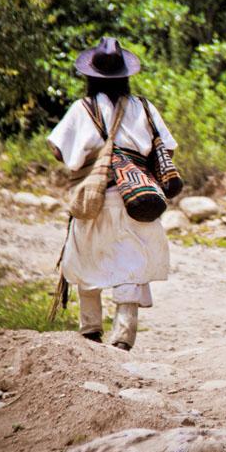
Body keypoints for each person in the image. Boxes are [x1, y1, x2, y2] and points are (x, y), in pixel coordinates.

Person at [47, 37, 177, 351]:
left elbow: (58, 148)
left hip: (95, 195)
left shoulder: (82, 108)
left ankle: (90, 329)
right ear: (125, 76)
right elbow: (167, 147)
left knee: (87, 257)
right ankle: (123, 334)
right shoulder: (144, 107)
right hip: (136, 195)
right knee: (131, 260)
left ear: (90, 77)